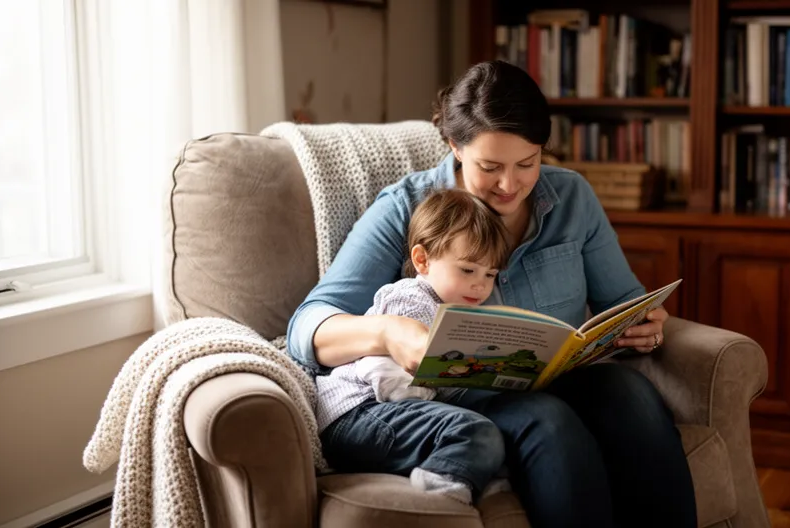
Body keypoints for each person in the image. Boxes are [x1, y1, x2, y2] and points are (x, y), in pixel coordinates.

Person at [286, 59, 697, 528]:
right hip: (456, 395)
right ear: (455, 146)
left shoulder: (572, 199)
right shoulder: (408, 208)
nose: (509, 184)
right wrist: (388, 332)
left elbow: (619, 303)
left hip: (552, 375)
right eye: (490, 167)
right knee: (548, 419)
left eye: (527, 163)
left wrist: (643, 326)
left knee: (631, 393)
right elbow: (306, 326)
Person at [314, 187, 513, 505]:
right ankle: (442, 492)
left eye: (490, 274)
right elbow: (381, 373)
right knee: (473, 430)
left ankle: (467, 471)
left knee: (490, 434)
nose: (480, 284)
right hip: (359, 413)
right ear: (422, 260)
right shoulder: (409, 299)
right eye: (467, 270)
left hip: (385, 415)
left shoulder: (456, 312)